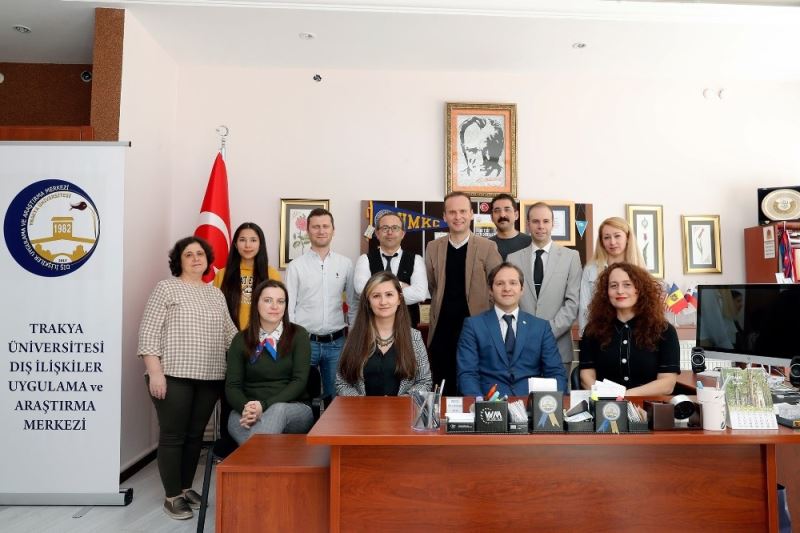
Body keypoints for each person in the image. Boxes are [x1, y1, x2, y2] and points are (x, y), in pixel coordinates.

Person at [137, 236, 237, 520]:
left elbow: (230, 335)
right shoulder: (166, 288)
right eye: (189, 254)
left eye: (200, 254)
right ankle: (172, 497)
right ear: (178, 261)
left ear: (208, 260)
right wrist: (155, 372)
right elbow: (148, 332)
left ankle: (185, 487)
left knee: (195, 436)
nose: (195, 258)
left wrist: (260, 342)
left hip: (210, 376)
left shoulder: (215, 295)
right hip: (172, 375)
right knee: (173, 435)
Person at [426, 192, 502, 395]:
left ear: (471, 214)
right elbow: (432, 285)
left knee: (474, 390)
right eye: (452, 212)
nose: (457, 216)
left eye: (462, 211)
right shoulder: (433, 247)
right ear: (444, 216)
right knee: (444, 390)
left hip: (477, 330)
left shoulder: (488, 247)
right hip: (442, 331)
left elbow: (497, 287)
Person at [457, 263, 567, 396]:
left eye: (513, 283)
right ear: (490, 290)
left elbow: (556, 373)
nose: (507, 288)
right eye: (500, 284)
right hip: (489, 403)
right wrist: (480, 403)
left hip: (530, 402)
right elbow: (467, 374)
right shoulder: (474, 325)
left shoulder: (541, 327)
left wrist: (549, 403)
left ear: (522, 289)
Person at [225, 280, 313, 444]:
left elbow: (299, 381)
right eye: (268, 300)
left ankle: (256, 456)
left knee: (277, 411)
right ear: (256, 304)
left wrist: (264, 405)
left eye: (280, 301)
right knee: (237, 422)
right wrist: (247, 408)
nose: (275, 306)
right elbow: (232, 386)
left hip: (292, 408)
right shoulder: (240, 339)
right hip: (247, 409)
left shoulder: (299, 335)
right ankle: (262, 458)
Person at [579, 263, 680, 395]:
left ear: (640, 289)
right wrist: (610, 400)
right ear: (606, 292)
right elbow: (586, 378)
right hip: (605, 405)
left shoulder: (665, 331)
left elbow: (667, 384)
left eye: (627, 284)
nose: (620, 291)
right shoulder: (592, 330)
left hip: (649, 405)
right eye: (613, 286)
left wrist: (625, 396)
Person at [285, 207, 354, 399]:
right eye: (316, 227)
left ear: (333, 230)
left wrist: (354, 336)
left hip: (336, 343)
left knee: (336, 399)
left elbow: (353, 303)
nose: (321, 231)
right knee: (303, 397)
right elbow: (288, 307)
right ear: (307, 231)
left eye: (325, 226)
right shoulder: (296, 266)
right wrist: (292, 340)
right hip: (304, 342)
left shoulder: (345, 264)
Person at [508, 202, 582, 376]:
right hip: (521, 348)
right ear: (528, 224)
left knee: (556, 394)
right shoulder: (513, 259)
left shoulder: (571, 257)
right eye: (535, 221)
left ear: (553, 223)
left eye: (546, 221)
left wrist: (546, 333)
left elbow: (573, 302)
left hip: (558, 348)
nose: (541, 226)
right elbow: (510, 302)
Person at [336, 272, 432, 396]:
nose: (383, 302)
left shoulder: (414, 337)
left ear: (399, 299)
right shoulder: (355, 336)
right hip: (362, 408)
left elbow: (424, 382)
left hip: (402, 408)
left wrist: (403, 400)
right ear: (368, 301)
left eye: (389, 295)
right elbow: (342, 383)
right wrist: (360, 402)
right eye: (376, 296)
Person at [354, 211, 428, 327]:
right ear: (377, 233)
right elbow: (362, 291)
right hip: (373, 328)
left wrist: (377, 292)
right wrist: (400, 285)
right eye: (385, 228)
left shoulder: (416, 259)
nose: (390, 232)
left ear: (402, 234)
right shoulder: (364, 259)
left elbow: (420, 294)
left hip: (407, 327)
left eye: (395, 228)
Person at [578, 217, 645, 334]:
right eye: (607, 237)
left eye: (617, 236)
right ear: (601, 241)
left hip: (635, 334)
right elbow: (584, 308)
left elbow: (645, 307)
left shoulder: (640, 269)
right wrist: (586, 336)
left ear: (627, 238)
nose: (612, 242)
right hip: (600, 333)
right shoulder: (591, 270)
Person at [214, 222, 281, 330]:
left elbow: (278, 310)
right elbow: (216, 310)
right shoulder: (222, 274)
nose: (248, 245)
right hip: (229, 336)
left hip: (262, 336)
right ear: (235, 244)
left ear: (260, 244)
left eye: (253, 240)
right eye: (242, 240)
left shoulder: (272, 274)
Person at [458, 116, 505, 185]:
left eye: (486, 150)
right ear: (463, 149)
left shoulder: (505, 179)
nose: (481, 160)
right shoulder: (458, 179)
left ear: (500, 147)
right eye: (472, 150)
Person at [488, 194, 531, 260]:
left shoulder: (530, 243)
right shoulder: (486, 246)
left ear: (516, 215)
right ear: (492, 217)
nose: (502, 215)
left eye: (507, 210)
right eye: (497, 211)